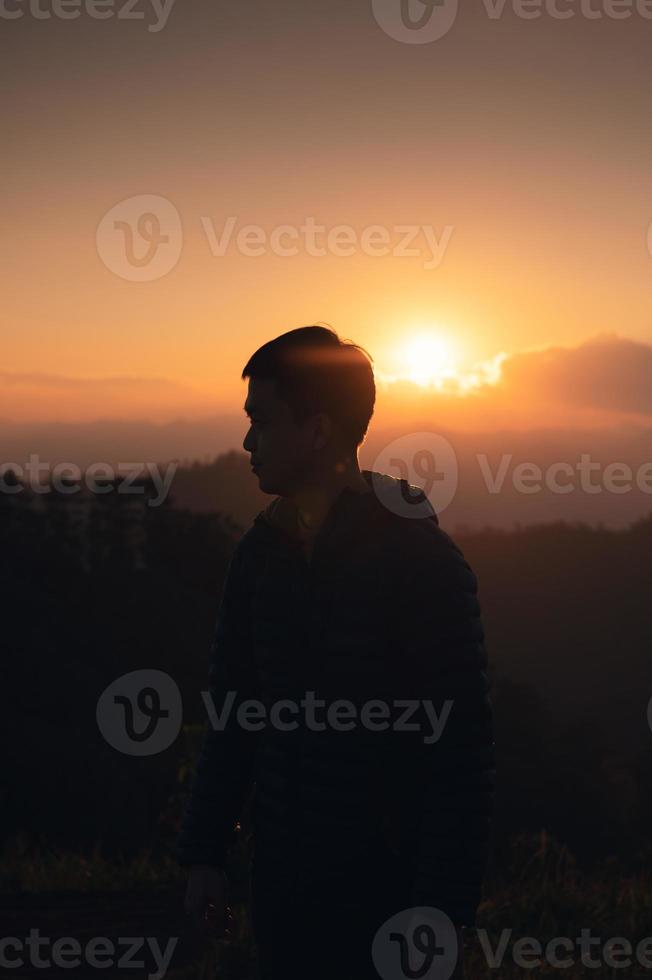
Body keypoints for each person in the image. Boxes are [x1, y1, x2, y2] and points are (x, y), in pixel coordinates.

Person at [177, 325, 495, 979]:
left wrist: (440, 908)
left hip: (388, 902)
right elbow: (234, 713)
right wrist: (206, 855)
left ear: (318, 431)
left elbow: (460, 748)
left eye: (261, 421)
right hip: (283, 903)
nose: (246, 442)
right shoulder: (259, 557)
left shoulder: (421, 562)